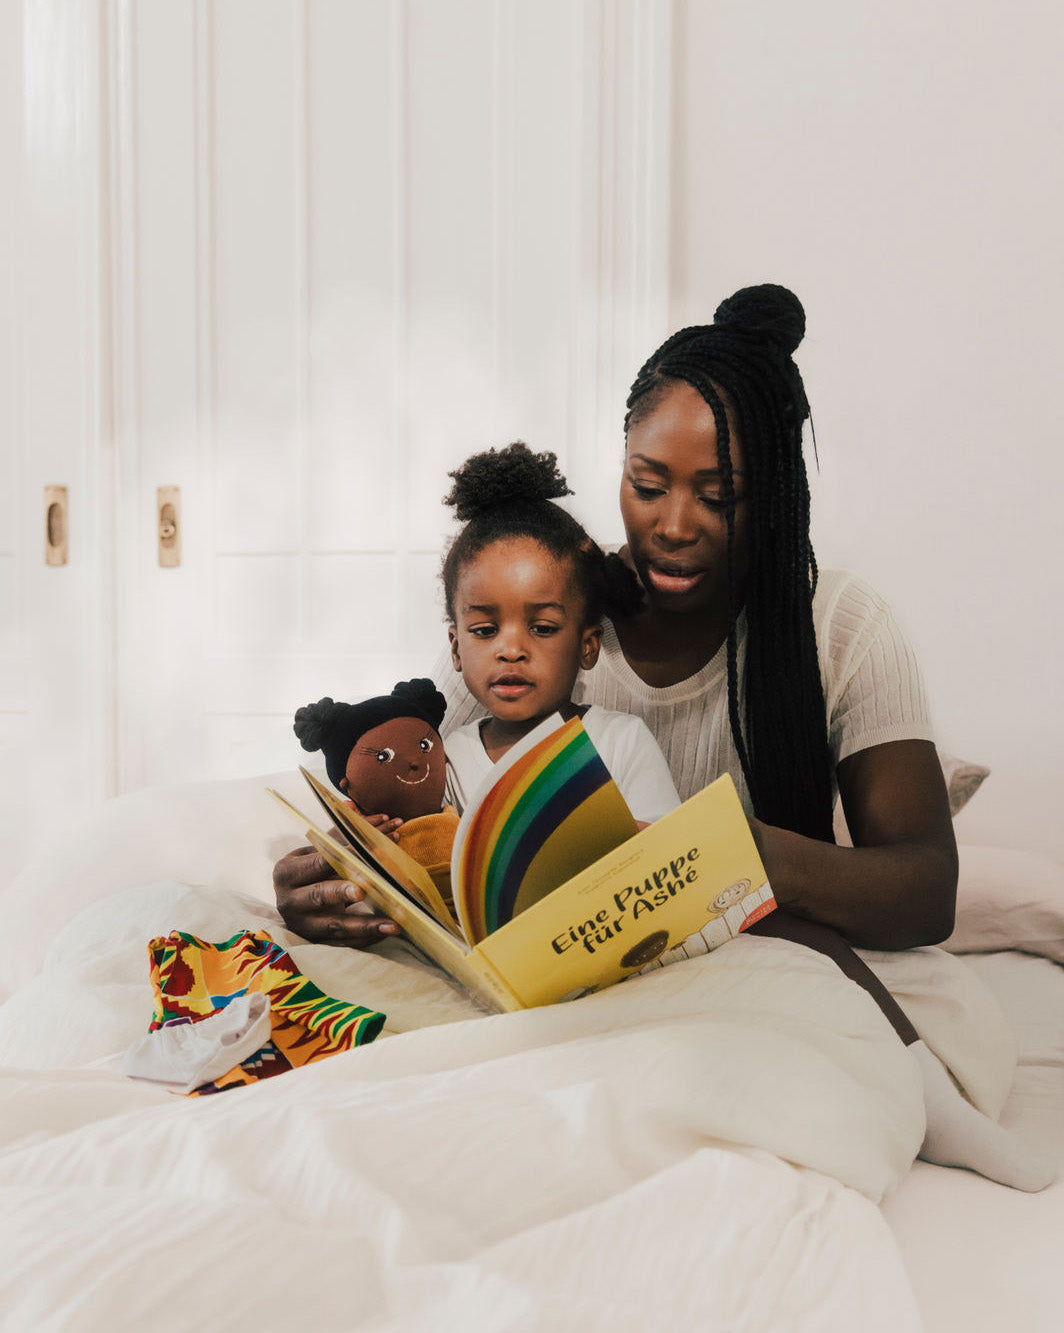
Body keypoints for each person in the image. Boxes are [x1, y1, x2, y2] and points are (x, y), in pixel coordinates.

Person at [274, 284, 1055, 1189]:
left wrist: (740, 853)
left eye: (718, 495)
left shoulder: (841, 626)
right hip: (566, 980)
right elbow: (418, 794)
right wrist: (342, 878)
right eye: (647, 486)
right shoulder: (540, 618)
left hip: (765, 954)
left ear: (772, 498)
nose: (673, 524)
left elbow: (926, 893)